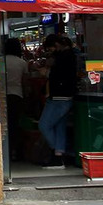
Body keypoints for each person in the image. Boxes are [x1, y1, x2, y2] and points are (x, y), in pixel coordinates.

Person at [39, 34, 78, 167]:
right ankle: (59, 155)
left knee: (44, 125)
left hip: (59, 97)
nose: (50, 52)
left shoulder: (63, 57)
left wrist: (46, 72)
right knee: (59, 126)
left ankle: (55, 151)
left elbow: (57, 75)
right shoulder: (71, 55)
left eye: (50, 49)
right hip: (66, 96)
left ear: (56, 45)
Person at [1, 38, 28, 164]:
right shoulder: (22, 63)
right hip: (17, 95)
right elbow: (25, 82)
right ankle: (16, 152)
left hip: (2, 95)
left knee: (4, 124)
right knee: (15, 125)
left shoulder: (0, 61)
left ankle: (4, 151)